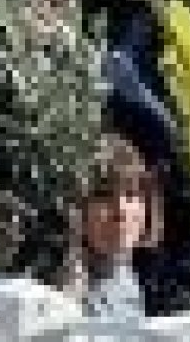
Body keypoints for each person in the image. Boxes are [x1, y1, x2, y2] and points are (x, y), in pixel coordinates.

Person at [52, 134, 161, 318]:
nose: (120, 211)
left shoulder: (127, 277)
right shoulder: (66, 291)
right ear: (79, 211)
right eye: (103, 196)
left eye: (131, 194)